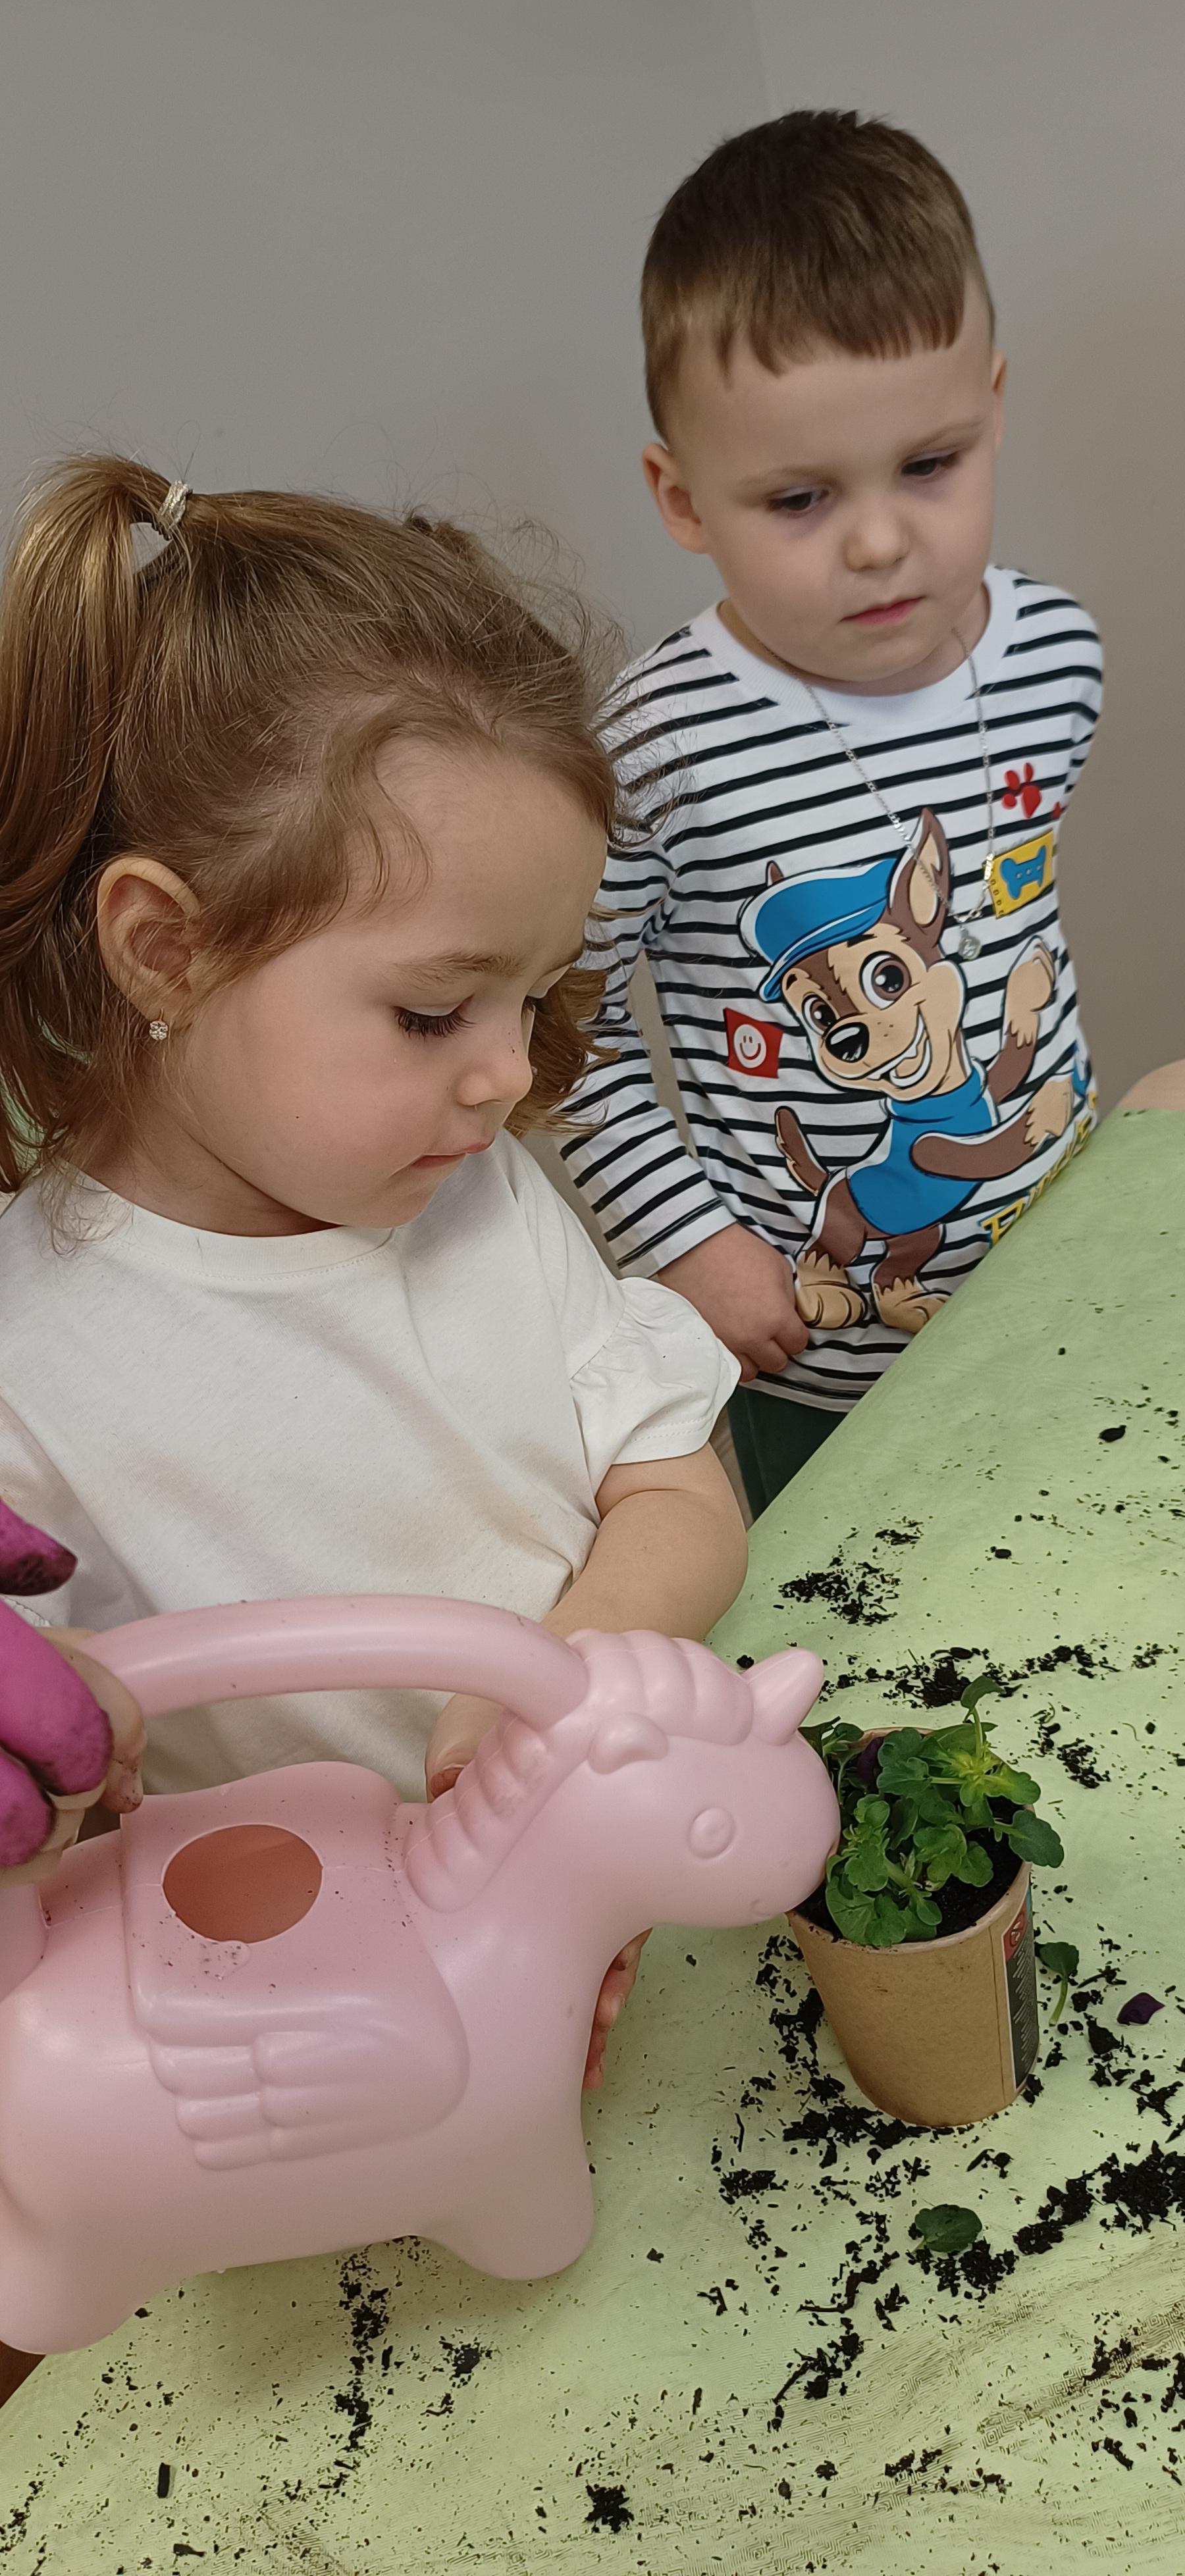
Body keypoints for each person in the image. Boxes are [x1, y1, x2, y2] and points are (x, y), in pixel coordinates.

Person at [0, 457, 745, 2088]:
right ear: (167, 949)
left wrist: (560, 1686)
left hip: (628, 1904)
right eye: (432, 1011)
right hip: (330, 2043)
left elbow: (678, 1486)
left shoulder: (476, 1193)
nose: (509, 1073)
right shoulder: (28, 1372)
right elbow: (62, 1832)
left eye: (534, 995)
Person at [562, 110, 1101, 1522]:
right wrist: (690, 1245)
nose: (877, 539)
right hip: (821, 1364)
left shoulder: (1058, 657)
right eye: (799, 497)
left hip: (1065, 1294)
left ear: (992, 406)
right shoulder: (659, 743)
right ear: (683, 496)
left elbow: (1012, 920)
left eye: (931, 464)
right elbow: (563, 1028)